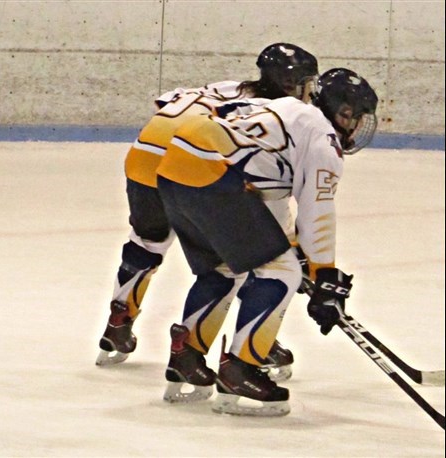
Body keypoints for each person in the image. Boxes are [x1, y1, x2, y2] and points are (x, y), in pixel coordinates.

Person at [154, 67, 378, 416]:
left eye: (357, 117)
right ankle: (240, 370)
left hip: (174, 169)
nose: (351, 125)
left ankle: (187, 357)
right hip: (214, 176)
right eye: (347, 114)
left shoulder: (286, 110)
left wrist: (302, 253)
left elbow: (265, 193)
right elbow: (317, 209)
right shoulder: (323, 138)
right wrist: (326, 276)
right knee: (281, 273)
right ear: (331, 108)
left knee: (224, 269)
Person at [96, 43, 318, 383]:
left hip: (142, 154)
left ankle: (118, 320)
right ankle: (256, 340)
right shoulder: (276, 113)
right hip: (184, 168)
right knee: (238, 261)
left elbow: (166, 104)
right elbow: (263, 190)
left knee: (147, 242)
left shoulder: (230, 86)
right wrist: (290, 247)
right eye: (306, 83)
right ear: (292, 85)